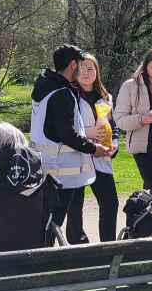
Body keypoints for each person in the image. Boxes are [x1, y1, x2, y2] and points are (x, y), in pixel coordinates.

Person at [30, 45, 110, 230]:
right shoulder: (62, 93)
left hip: (44, 166)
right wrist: (93, 148)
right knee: (53, 224)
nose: (82, 70)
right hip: (61, 173)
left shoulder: (45, 87)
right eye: (81, 65)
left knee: (47, 223)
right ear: (73, 65)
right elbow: (66, 134)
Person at [66, 54, 120, 243]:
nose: (86, 73)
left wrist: (114, 144)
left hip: (101, 159)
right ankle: (78, 246)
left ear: (97, 72)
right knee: (74, 207)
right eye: (82, 68)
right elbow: (65, 130)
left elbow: (112, 126)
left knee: (110, 203)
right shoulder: (68, 95)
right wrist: (90, 134)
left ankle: (108, 246)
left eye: (91, 68)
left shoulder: (106, 98)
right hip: (77, 157)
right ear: (74, 72)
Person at [114, 48, 152, 191]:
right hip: (141, 146)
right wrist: (143, 119)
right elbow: (120, 120)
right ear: (145, 66)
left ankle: (142, 211)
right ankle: (142, 211)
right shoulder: (130, 86)